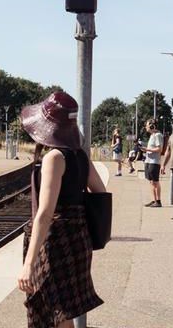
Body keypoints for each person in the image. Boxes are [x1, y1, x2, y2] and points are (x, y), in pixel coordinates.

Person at [16, 91, 105, 328]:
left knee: (50, 311)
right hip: (77, 241)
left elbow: (45, 213)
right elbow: (100, 191)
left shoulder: (54, 158)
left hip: (55, 243)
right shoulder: (80, 156)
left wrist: (29, 263)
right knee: (62, 312)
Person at [142, 119, 164, 208]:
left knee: (155, 182)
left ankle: (158, 201)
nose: (146, 127)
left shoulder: (158, 135)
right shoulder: (152, 135)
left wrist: (147, 149)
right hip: (149, 161)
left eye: (147, 125)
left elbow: (159, 149)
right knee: (151, 181)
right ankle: (154, 200)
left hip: (154, 162)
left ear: (152, 126)